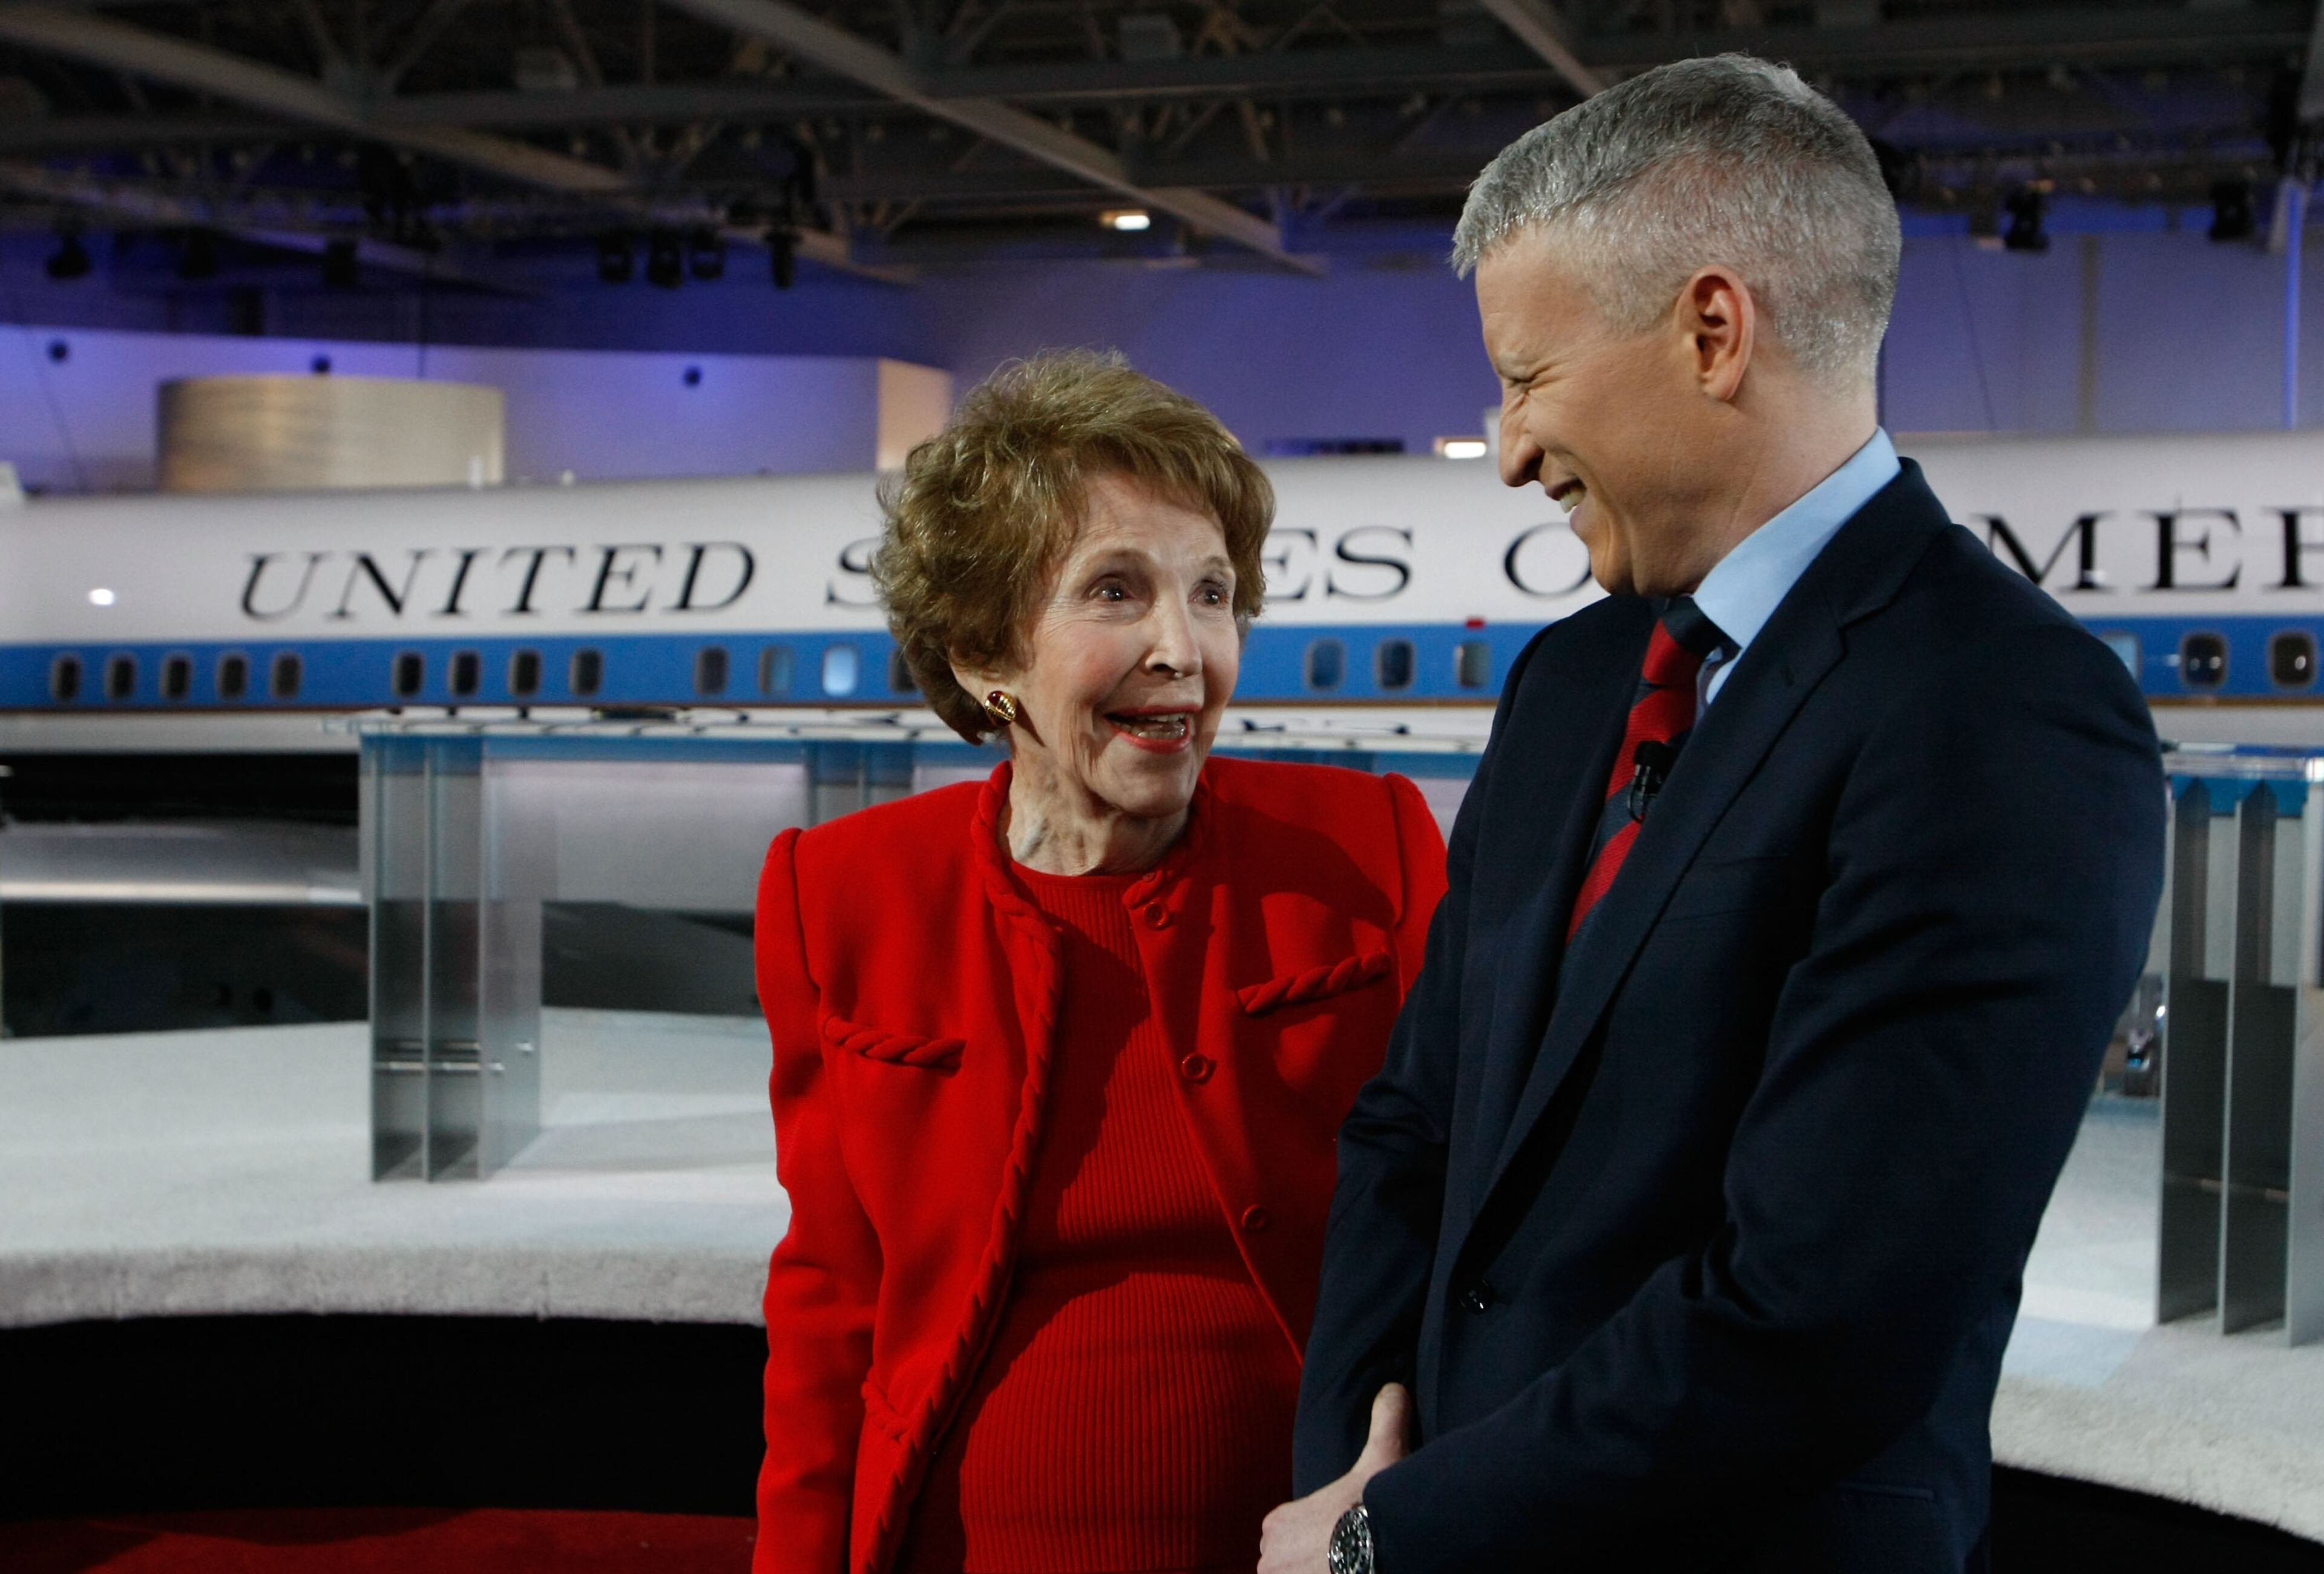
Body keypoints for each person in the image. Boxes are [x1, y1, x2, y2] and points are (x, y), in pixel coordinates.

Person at [1265, 55, 2165, 1574]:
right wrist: (1355, 1478)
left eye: (1528, 379)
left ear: (1711, 331)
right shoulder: (1572, 681)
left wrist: (1393, 1540)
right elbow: (1416, 1125)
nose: (1510, 448)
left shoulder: (2004, 710)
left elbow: (1819, 1312)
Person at [753, 352, 1448, 1574]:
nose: (1184, 648)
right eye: (1116, 593)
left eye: (1214, 593)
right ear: (985, 654)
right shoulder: (839, 894)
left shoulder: (1369, 848)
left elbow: (1476, 1213)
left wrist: (1434, 1490)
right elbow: (830, 1311)